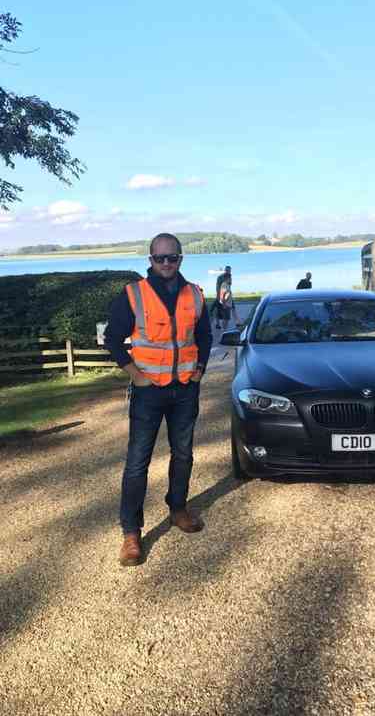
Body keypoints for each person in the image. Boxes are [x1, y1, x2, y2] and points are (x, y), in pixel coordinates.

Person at [105, 233, 213, 567]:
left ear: (181, 259)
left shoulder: (194, 293)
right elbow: (111, 339)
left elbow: (205, 336)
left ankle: (178, 508)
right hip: (148, 391)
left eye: (172, 258)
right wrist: (135, 374)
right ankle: (131, 533)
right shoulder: (133, 294)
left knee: (183, 454)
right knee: (138, 462)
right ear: (150, 259)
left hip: (184, 390)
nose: (166, 263)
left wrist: (199, 370)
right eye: (159, 258)